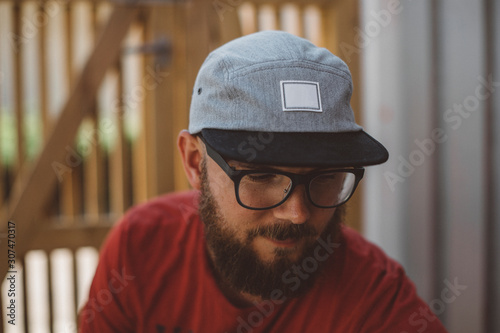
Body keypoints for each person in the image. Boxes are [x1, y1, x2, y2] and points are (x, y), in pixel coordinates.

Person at [79, 31, 447, 332]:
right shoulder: (140, 250)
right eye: (261, 175)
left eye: (326, 177)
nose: (298, 214)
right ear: (194, 162)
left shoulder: (373, 297)